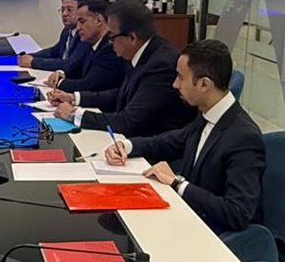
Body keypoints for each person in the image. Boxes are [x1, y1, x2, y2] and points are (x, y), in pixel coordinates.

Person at [104, 39, 264, 235]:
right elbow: (170, 142)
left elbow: (237, 213)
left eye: (180, 77)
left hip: (211, 235)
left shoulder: (244, 137)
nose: (175, 84)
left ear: (204, 84)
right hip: (186, 217)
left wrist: (177, 183)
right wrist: (126, 146)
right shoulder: (208, 113)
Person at [48, 0, 194, 136]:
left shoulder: (160, 65)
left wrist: (74, 114)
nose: (110, 42)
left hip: (151, 144)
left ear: (132, 38)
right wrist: (74, 98)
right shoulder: (141, 51)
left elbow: (129, 121)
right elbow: (122, 93)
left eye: (112, 36)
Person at [44, 0, 125, 94]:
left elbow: (89, 85)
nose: (78, 27)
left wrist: (59, 83)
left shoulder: (111, 48)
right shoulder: (91, 43)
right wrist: (61, 74)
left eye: (82, 22)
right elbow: (76, 68)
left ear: (98, 20)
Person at [17, 0, 88, 72]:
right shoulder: (66, 31)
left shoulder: (85, 34)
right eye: (62, 9)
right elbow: (53, 52)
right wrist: (29, 56)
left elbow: (71, 65)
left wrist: (33, 62)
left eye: (69, 10)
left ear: (82, 12)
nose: (64, 14)